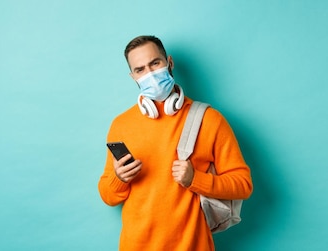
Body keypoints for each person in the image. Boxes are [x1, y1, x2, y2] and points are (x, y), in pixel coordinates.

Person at [98, 35, 253, 250]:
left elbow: (243, 185)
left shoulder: (209, 119)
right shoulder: (121, 125)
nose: (150, 74)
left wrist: (195, 179)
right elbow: (108, 195)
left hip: (193, 245)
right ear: (133, 76)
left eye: (155, 63)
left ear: (169, 62)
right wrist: (119, 178)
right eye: (140, 69)